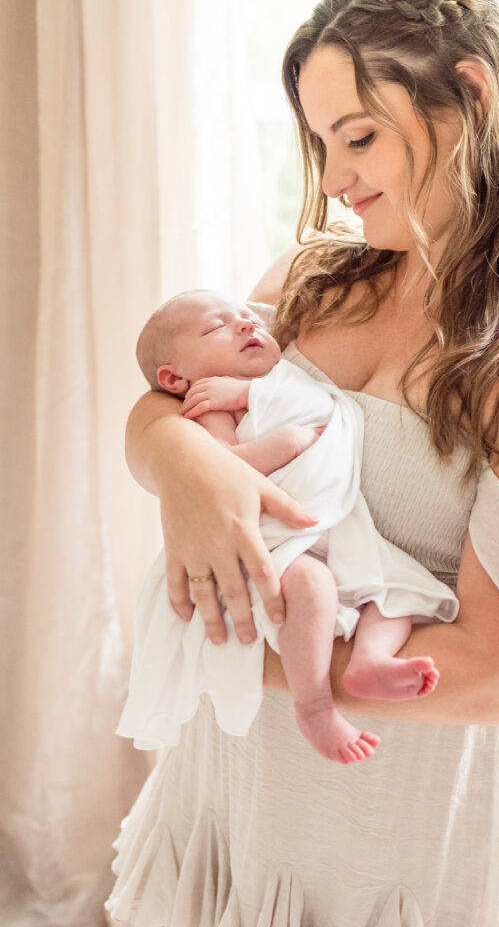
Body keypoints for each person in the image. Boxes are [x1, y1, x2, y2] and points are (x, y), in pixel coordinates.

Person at [106, 0, 499, 927]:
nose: (335, 178)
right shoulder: (318, 276)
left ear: (468, 97)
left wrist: (205, 649)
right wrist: (177, 462)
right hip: (228, 795)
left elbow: (487, 676)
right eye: (320, 145)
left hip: (391, 845)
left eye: (357, 137)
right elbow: (166, 394)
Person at [117, 289, 456, 763]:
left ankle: (369, 661)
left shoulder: (278, 378)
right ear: (175, 376)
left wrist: (254, 391)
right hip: (278, 539)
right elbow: (227, 469)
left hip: (335, 528)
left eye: (244, 317)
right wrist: (288, 441)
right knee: (312, 588)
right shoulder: (211, 405)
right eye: (217, 327)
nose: (245, 324)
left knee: (400, 591)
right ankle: (314, 705)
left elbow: (327, 407)